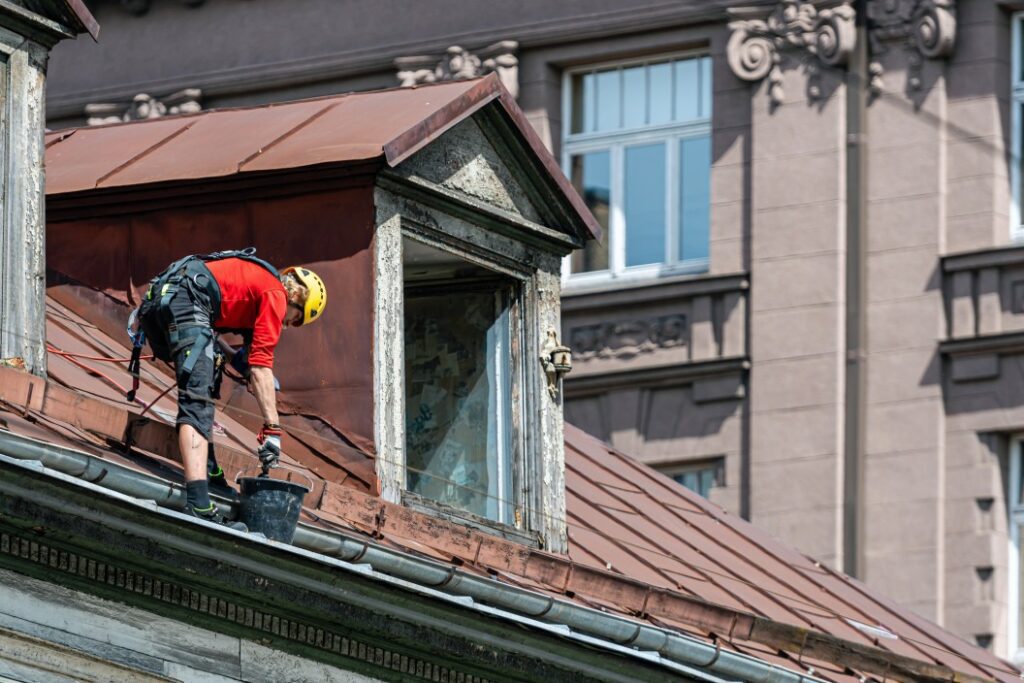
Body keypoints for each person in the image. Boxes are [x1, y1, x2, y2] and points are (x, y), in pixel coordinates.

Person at [131, 248, 326, 529]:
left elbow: (248, 360)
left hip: (169, 301)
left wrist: (251, 371)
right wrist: (272, 429)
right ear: (297, 298)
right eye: (297, 319)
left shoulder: (260, 284)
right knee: (197, 399)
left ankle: (209, 473)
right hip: (187, 299)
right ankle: (198, 503)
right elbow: (260, 366)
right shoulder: (276, 295)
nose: (290, 325)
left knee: (206, 383)